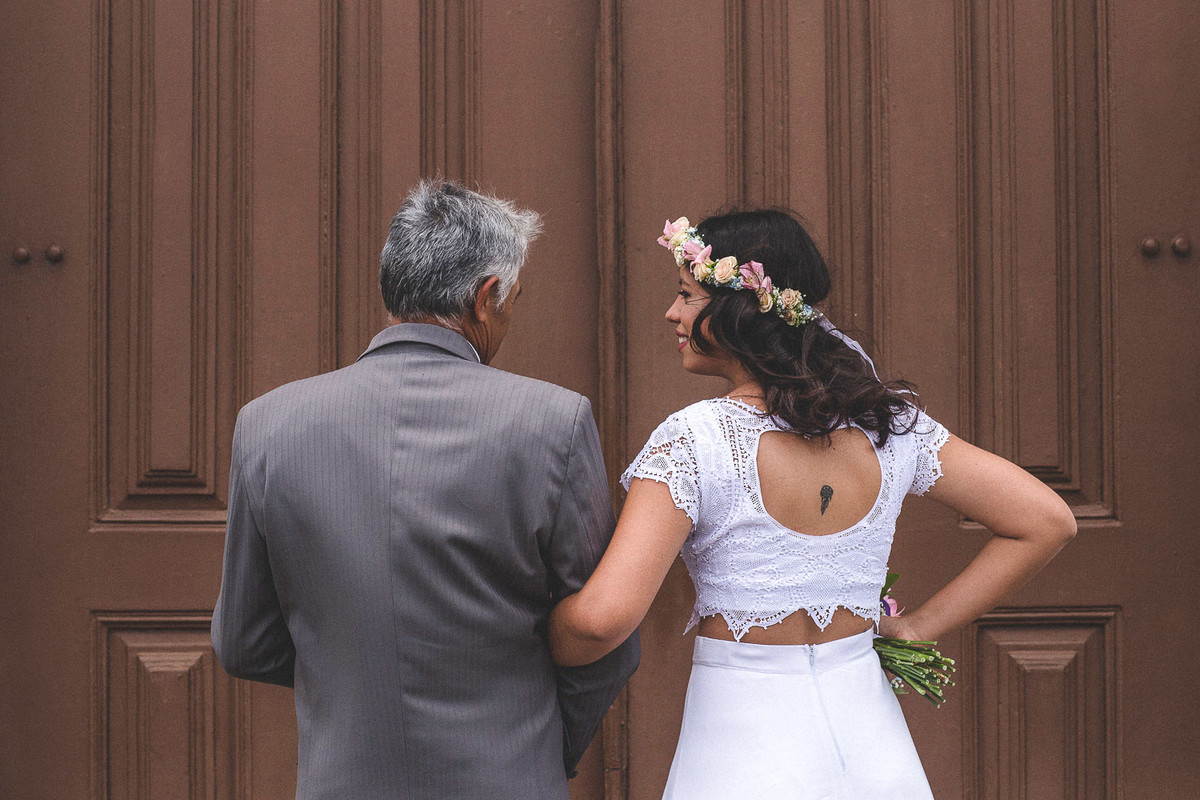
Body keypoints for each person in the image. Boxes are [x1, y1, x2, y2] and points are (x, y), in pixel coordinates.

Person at [549, 209, 1076, 799]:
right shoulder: (890, 427)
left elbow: (600, 622)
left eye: (686, 295)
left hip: (742, 746)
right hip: (872, 739)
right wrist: (917, 628)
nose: (672, 313)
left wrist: (524, 639)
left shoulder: (696, 439)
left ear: (741, 307)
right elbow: (1046, 521)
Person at [212, 180, 639, 800]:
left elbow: (244, 644)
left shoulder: (269, 424)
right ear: (487, 297)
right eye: (516, 298)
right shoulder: (552, 421)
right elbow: (606, 641)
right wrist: (538, 751)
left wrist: (353, 686)